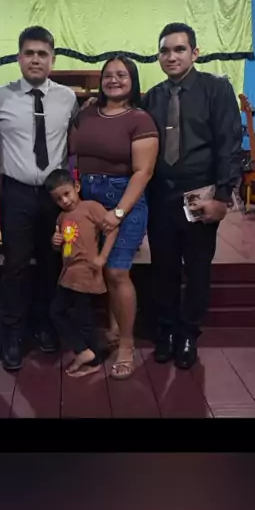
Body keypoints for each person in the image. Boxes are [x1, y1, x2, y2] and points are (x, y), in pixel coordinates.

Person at [142, 22, 242, 370]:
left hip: (201, 194)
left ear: (195, 53)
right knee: (163, 269)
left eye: (179, 49)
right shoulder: (152, 97)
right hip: (161, 196)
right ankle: (167, 331)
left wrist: (223, 198)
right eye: (165, 51)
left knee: (197, 270)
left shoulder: (216, 89)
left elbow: (229, 143)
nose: (171, 56)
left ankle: (188, 334)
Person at [0, 27, 79, 372]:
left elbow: (73, 143)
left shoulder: (68, 99)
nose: (36, 59)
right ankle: (11, 334)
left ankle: (44, 324)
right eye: (29, 53)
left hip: (55, 197)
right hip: (17, 193)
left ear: (53, 59)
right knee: (15, 265)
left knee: (52, 262)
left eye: (43, 54)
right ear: (19, 57)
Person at [69, 55, 158, 379]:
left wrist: (119, 212)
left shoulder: (140, 119)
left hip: (124, 197)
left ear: (133, 81)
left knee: (117, 271)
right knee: (96, 266)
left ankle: (126, 345)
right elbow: (72, 150)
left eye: (122, 75)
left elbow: (143, 171)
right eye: (108, 74)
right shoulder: (87, 112)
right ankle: (112, 328)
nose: (114, 80)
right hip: (87, 197)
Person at [46, 168, 120, 378]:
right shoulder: (61, 218)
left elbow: (112, 229)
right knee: (58, 312)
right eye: (58, 198)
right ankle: (84, 351)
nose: (64, 200)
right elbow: (65, 247)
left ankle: (92, 358)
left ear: (77, 187)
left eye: (67, 193)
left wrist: (102, 257)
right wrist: (55, 243)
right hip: (69, 275)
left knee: (84, 319)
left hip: (86, 274)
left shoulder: (91, 208)